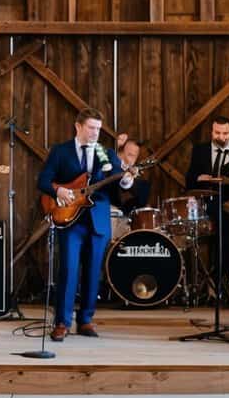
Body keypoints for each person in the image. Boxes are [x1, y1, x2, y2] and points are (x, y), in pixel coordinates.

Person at [38, 107, 133, 342]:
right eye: (91, 128)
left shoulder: (105, 153)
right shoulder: (61, 151)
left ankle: (86, 320)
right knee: (68, 271)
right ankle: (62, 322)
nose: (95, 133)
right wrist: (58, 190)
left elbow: (117, 183)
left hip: (98, 220)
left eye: (98, 129)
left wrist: (126, 181)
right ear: (78, 126)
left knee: (93, 273)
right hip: (69, 219)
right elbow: (42, 180)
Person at [185, 115, 229, 284]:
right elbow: (189, 179)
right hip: (205, 206)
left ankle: (222, 284)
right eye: (217, 133)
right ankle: (201, 284)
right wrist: (199, 177)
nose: (221, 137)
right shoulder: (200, 150)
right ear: (211, 131)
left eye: (225, 133)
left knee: (228, 246)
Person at [115, 134, 152, 214]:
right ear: (118, 153)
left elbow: (142, 200)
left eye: (132, 156)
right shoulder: (107, 167)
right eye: (128, 154)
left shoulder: (140, 182)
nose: (127, 159)